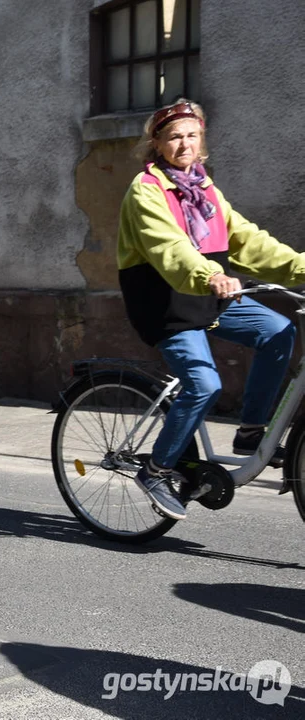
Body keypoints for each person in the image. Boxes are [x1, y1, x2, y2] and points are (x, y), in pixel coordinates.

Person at [118, 98, 305, 521]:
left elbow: (247, 240)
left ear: (201, 141)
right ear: (157, 143)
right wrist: (210, 276)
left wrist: (301, 265)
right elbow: (170, 248)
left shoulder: (204, 188)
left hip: (207, 297)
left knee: (278, 330)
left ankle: (251, 431)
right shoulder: (146, 190)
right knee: (204, 384)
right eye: (173, 137)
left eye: (191, 135)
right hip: (167, 302)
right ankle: (156, 469)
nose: (183, 143)